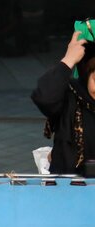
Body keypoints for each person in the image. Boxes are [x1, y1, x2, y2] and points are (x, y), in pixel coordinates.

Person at [31, 32, 95, 176]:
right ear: (86, 76)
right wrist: (68, 60)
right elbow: (44, 97)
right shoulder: (71, 98)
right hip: (68, 191)